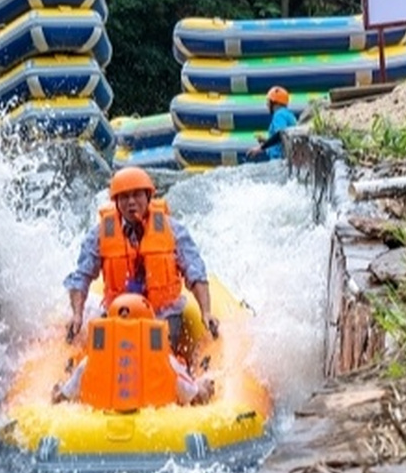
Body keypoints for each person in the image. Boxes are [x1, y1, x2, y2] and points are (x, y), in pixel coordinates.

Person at [63, 166, 219, 363]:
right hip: (120, 313)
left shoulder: (173, 230)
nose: (131, 203)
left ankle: (178, 381)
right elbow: (81, 276)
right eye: (124, 197)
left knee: (159, 352)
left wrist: (206, 312)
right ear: (116, 202)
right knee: (101, 354)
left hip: (163, 313)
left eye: (136, 195)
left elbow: (195, 271)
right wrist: (77, 315)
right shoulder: (99, 235)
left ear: (148, 196)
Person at [51, 294, 215, 406]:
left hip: (100, 431)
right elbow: (196, 396)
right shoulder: (166, 362)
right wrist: (205, 387)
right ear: (149, 324)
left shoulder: (90, 362)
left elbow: (62, 398)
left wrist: (57, 390)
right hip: (153, 429)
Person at [246, 85, 297, 162]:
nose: (267, 105)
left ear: (274, 102)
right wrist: (266, 141)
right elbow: (282, 139)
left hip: (280, 161)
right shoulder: (289, 114)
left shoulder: (279, 115)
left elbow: (281, 134)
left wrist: (260, 148)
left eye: (268, 101)